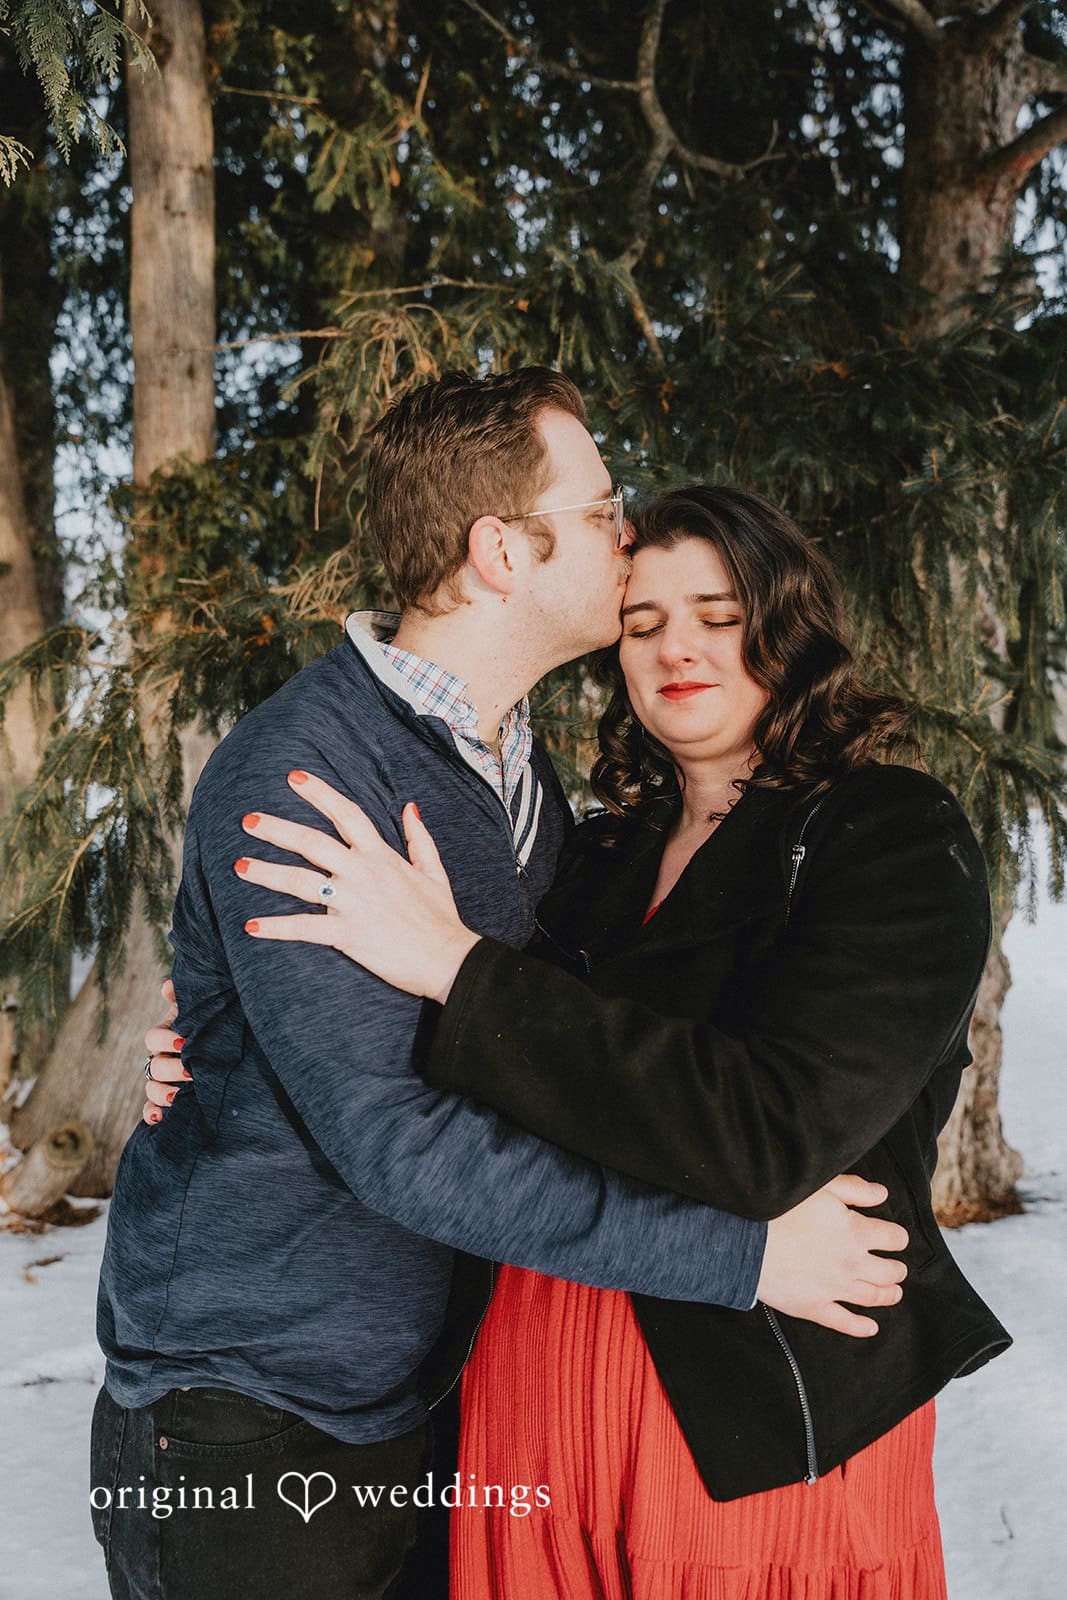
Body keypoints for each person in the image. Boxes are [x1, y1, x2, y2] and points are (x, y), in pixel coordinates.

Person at [98, 374, 906, 1600]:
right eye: (598, 511)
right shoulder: (307, 776)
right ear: (497, 552)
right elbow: (398, 1147)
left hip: (432, 1394)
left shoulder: (521, 773)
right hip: (256, 1417)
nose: (623, 535)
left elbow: (568, 1043)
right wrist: (741, 1258)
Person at [223, 484, 1011, 1598]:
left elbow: (765, 1132)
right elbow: (456, 1067)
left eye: (716, 613)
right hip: (534, 1385)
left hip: (752, 1408)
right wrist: (222, 1035)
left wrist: (454, 963)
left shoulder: (886, 833)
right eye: (641, 624)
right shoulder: (589, 856)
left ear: (785, 625)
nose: (675, 648)